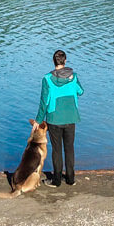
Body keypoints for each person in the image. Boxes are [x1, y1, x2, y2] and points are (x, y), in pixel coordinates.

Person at [35, 49, 83, 187]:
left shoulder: (47, 79)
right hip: (71, 117)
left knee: (57, 150)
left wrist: (38, 120)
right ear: (65, 61)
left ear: (54, 61)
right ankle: (70, 179)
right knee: (69, 148)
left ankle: (56, 181)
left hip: (54, 118)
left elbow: (44, 101)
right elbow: (81, 91)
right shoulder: (73, 76)